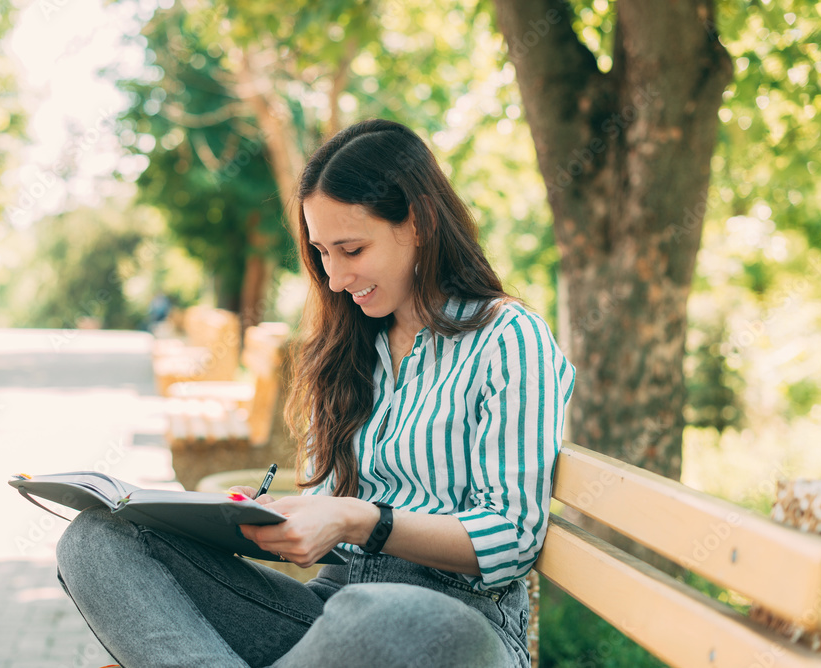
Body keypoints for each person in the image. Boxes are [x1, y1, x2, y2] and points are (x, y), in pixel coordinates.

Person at [55, 118, 576, 668]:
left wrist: (361, 520)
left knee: (385, 615)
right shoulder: (350, 347)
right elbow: (328, 519)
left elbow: (513, 536)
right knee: (96, 542)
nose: (333, 279)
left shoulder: (507, 338)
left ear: (419, 222)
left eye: (351, 249)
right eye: (322, 253)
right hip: (331, 614)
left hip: (451, 623)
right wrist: (268, 521)